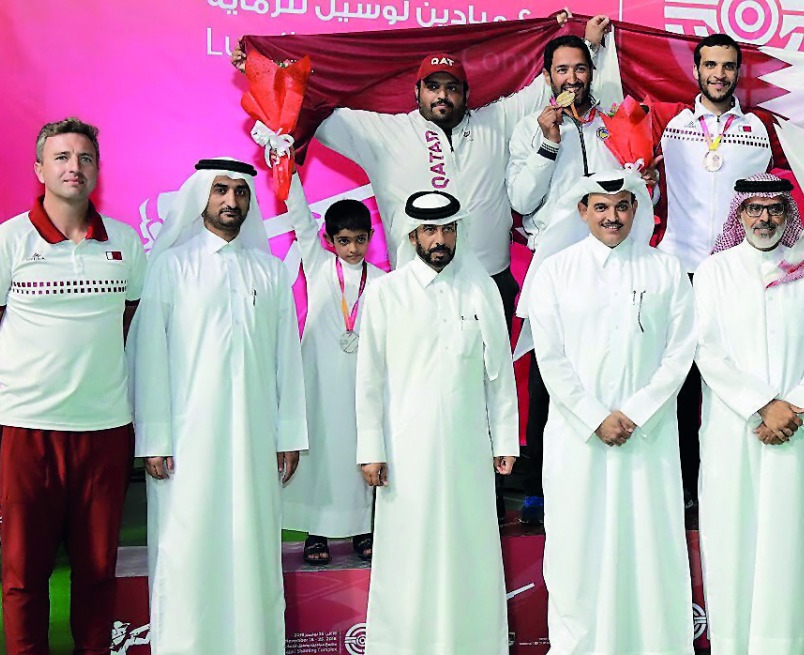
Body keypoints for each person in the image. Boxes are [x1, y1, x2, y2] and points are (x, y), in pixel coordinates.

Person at [235, 14, 615, 327]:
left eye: (452, 88)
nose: (443, 96)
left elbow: (554, 84)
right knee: (421, 389)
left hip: (490, 280)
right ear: (417, 93)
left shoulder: (494, 121)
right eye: (433, 87)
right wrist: (260, 69)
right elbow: (312, 104)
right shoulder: (384, 133)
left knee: (490, 391)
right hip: (417, 284)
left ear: (466, 94)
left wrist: (590, 46)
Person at [0, 117, 144, 655]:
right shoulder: (4, 243)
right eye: (62, 157)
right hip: (25, 432)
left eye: (85, 158)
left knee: (96, 571)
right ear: (39, 168)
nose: (74, 167)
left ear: (97, 171)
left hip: (105, 430)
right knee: (24, 577)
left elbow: (124, 320)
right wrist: (21, 379)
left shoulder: (127, 244)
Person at [130, 158, 308, 655]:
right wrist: (156, 440)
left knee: (253, 547)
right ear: (201, 198)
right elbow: (150, 358)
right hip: (189, 442)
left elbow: (286, 359)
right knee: (188, 548)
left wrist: (289, 434)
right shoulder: (171, 266)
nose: (232, 201)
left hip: (256, 437)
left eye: (241, 193)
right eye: (221, 191)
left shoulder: (270, 271)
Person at [526, 170, 695, 655]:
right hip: (579, 440)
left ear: (635, 210)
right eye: (601, 207)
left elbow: (680, 351)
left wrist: (636, 412)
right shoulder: (556, 272)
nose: (612, 216)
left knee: (649, 549)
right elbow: (551, 359)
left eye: (622, 206)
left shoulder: (665, 269)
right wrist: (594, 416)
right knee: (577, 552)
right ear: (583, 212)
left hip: (648, 437)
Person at [355, 190, 519, 654]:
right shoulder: (386, 293)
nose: (440, 239)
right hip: (406, 451)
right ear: (412, 236)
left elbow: (499, 373)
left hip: (468, 446)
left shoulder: (481, 288)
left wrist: (504, 438)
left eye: (448, 229)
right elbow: (369, 379)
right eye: (430, 230)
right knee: (409, 553)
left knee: (471, 550)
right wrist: (371, 449)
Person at [507, 32, 654, 524]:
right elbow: (523, 200)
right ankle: (540, 488)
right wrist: (549, 143)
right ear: (548, 76)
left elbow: (628, 191)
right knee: (551, 375)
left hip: (612, 264)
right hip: (555, 268)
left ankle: (607, 474)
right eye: (562, 70)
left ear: (592, 73)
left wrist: (643, 178)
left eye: (580, 69)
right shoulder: (531, 127)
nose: (572, 79)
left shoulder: (613, 123)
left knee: (610, 363)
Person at [694, 173, 804, 654]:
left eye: (774, 209)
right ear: (739, 215)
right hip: (734, 434)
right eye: (754, 209)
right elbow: (704, 348)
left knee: (790, 547)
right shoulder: (715, 271)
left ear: (787, 215)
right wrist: (762, 405)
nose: (764, 218)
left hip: (797, 435)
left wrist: (792, 407)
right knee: (731, 541)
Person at [658, 33, 775, 507]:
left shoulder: (757, 132)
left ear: (738, 72)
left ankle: (730, 483)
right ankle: (683, 486)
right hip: (680, 268)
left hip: (734, 272)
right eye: (711, 65)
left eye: (728, 66)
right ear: (697, 70)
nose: (719, 74)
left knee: (733, 377)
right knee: (679, 384)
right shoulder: (670, 127)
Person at [281, 177, 386, 564]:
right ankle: (316, 532)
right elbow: (298, 215)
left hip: (362, 381)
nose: (353, 248)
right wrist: (287, 167)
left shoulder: (382, 282)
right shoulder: (318, 261)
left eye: (360, 239)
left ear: (370, 236)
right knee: (321, 454)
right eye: (344, 240)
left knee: (362, 450)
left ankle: (362, 529)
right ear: (328, 240)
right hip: (319, 380)